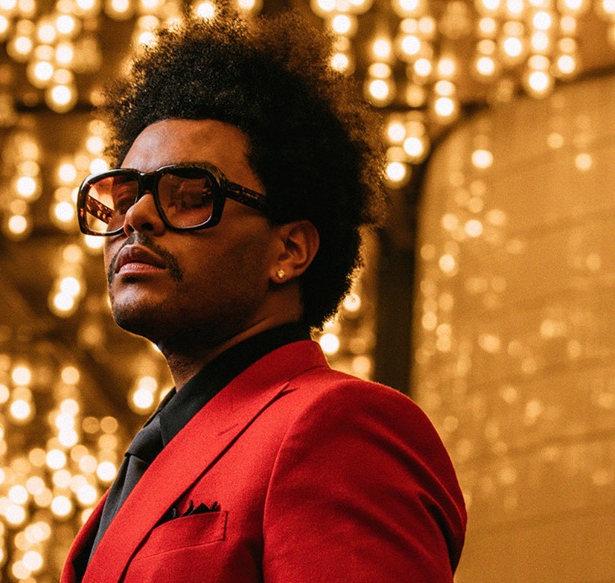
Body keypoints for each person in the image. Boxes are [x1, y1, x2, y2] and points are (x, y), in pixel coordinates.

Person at [62, 9, 466, 583]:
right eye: (124, 196)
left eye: (190, 195)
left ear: (290, 251)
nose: (137, 217)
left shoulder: (336, 427)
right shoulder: (149, 463)